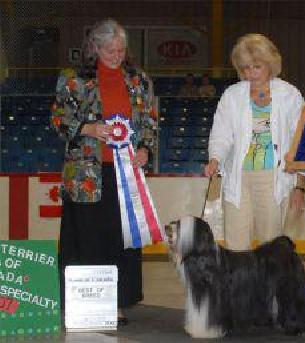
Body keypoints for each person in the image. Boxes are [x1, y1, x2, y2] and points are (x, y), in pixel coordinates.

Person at [51, 19, 156, 326]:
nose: (116, 55)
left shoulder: (139, 80)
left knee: (122, 240)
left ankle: (119, 303)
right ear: (94, 47)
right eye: (109, 50)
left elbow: (149, 121)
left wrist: (145, 149)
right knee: (87, 239)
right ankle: (85, 302)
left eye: (121, 50)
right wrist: (89, 128)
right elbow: (59, 121)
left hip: (126, 173)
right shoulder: (72, 79)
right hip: (86, 174)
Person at [204, 33, 305, 251]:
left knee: (271, 249)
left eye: (256, 66)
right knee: (235, 247)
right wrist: (215, 158)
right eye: (245, 68)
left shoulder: (290, 95)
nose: (251, 73)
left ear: (270, 64)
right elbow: (221, 133)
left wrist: (300, 186)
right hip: (237, 179)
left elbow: (301, 142)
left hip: (273, 178)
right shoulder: (232, 95)